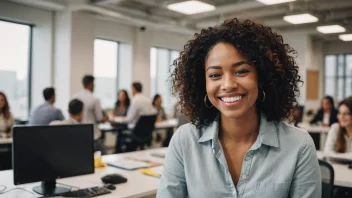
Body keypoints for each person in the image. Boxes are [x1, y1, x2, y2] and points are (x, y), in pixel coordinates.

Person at [157, 18, 321, 197]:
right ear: (202, 83)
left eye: (241, 71)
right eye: (215, 75)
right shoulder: (184, 141)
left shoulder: (299, 145)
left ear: (262, 77)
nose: (228, 85)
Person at [73, 75, 108, 154]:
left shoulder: (75, 97)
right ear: (91, 84)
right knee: (105, 156)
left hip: (78, 134)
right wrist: (106, 118)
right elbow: (99, 118)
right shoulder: (94, 99)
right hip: (93, 135)